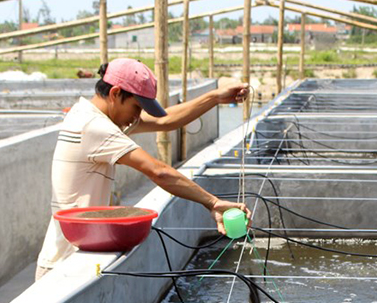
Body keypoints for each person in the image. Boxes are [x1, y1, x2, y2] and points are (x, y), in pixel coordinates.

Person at [35, 57, 251, 280]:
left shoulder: (91, 115)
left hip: (74, 255)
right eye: (136, 107)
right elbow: (159, 172)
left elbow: (164, 122)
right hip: (63, 266)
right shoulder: (95, 127)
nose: (137, 117)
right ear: (115, 93)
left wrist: (214, 97)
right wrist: (213, 202)